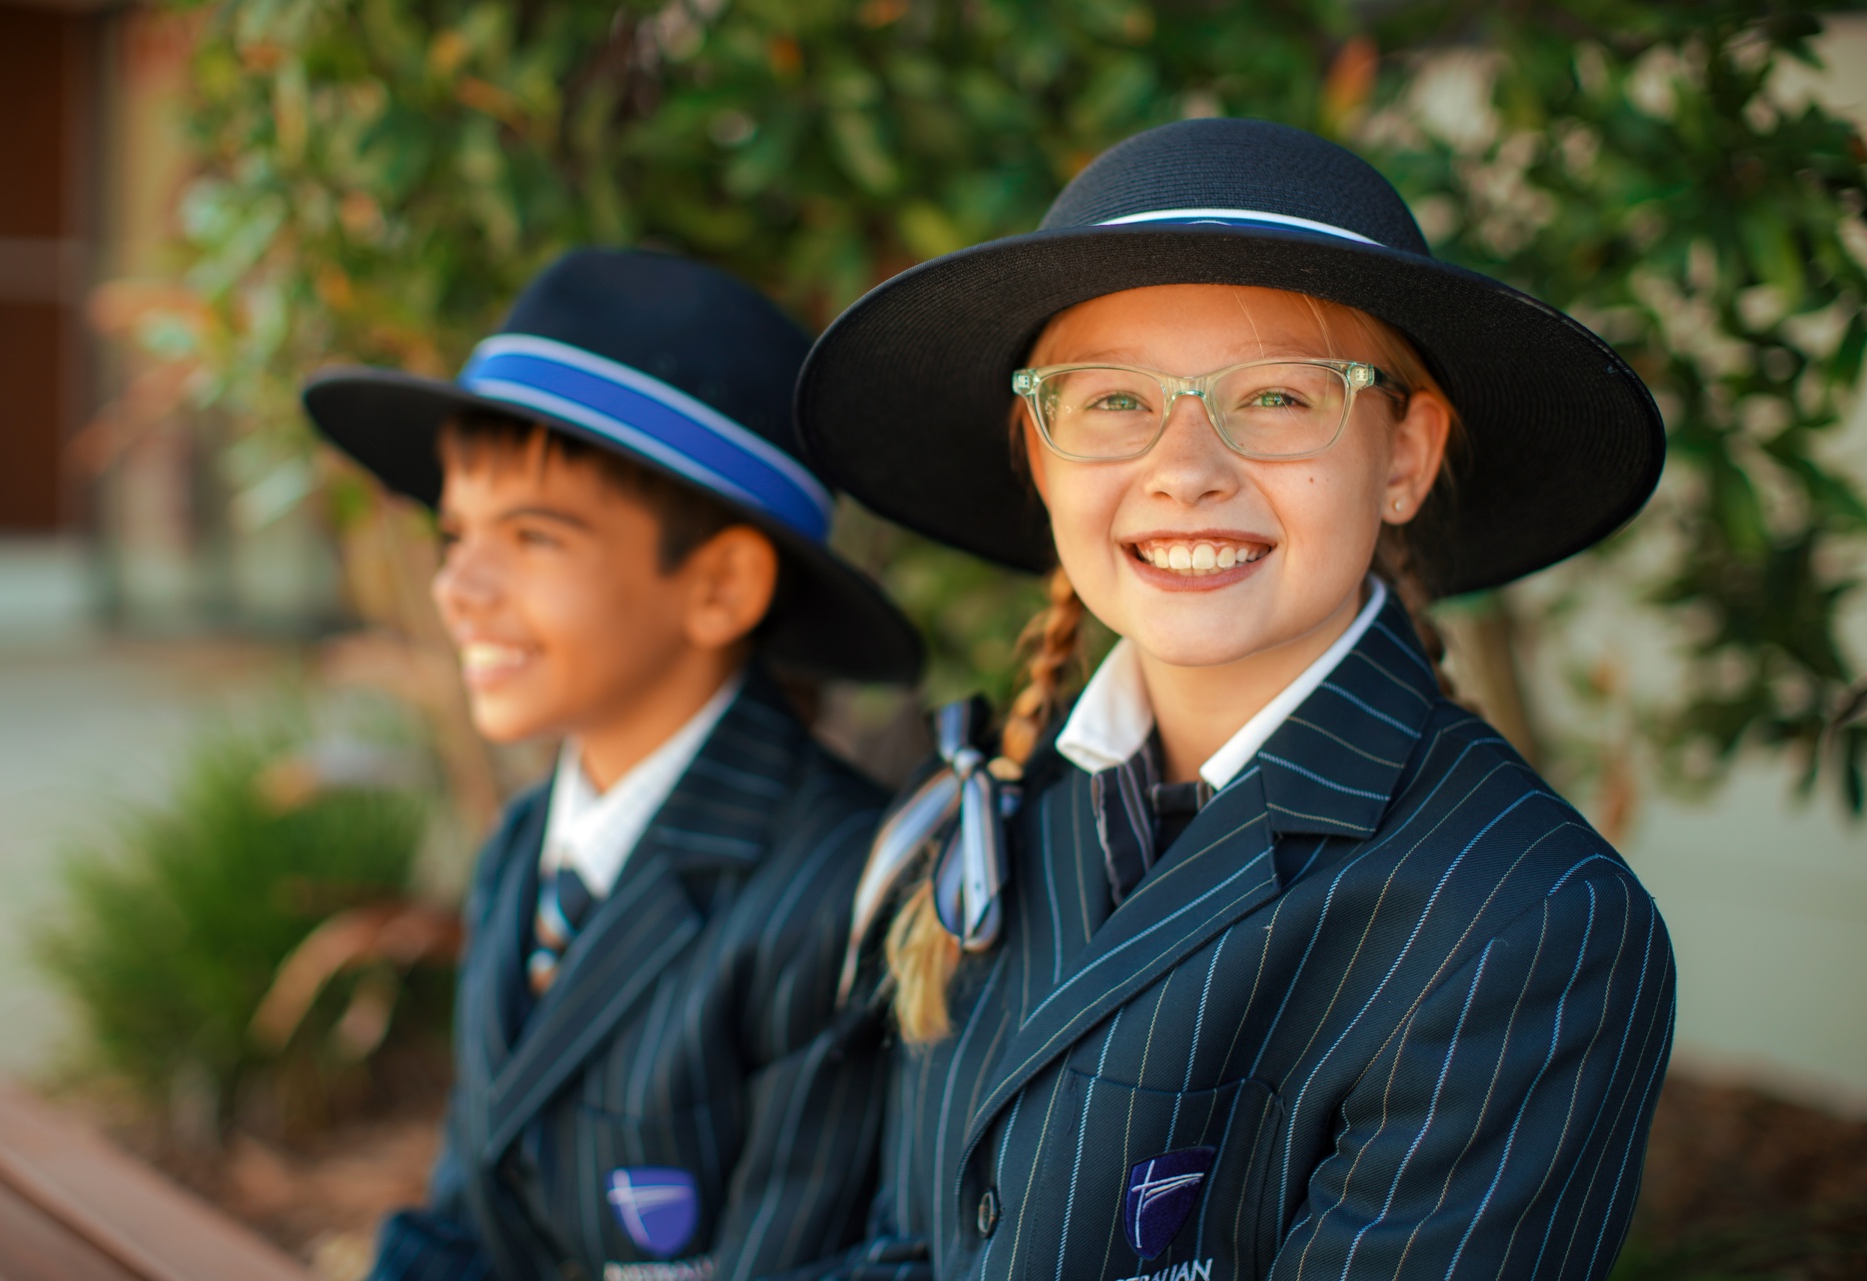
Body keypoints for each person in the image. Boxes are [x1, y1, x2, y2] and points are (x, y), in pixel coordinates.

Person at [794, 119, 1675, 1281]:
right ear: (1040, 450)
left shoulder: (1525, 923)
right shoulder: (988, 813)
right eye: (1110, 400)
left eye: (1275, 396)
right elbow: (901, 1239)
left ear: (1403, 457)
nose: (1186, 465)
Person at [302, 248, 922, 1281]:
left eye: (534, 537)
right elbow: (469, 1218)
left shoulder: (835, 897)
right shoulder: (522, 854)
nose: (459, 587)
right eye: (457, 535)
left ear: (720, 585)